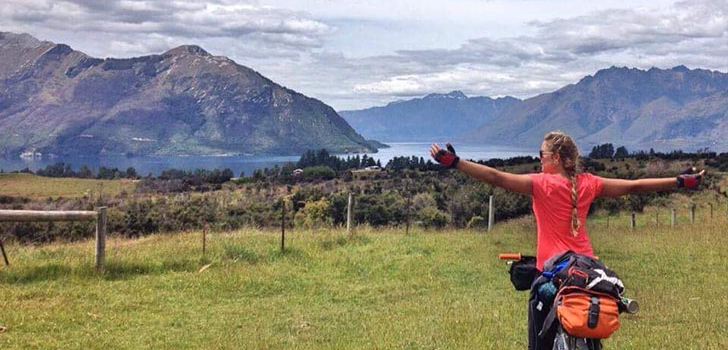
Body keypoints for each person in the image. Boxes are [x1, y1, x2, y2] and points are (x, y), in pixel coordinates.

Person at [430, 131, 704, 350]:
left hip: (552, 271)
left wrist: (455, 163)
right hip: (588, 269)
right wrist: (681, 181)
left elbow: (496, 177)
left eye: (542, 154)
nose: (539, 160)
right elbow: (634, 186)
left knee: (537, 338)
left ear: (557, 158)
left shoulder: (541, 183)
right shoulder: (590, 183)